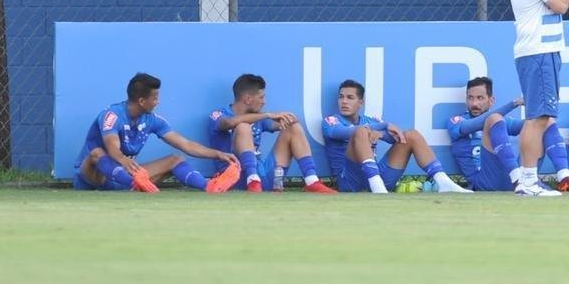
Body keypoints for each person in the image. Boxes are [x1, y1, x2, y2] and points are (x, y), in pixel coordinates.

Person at [73, 72, 239, 193]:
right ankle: (136, 183)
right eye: (155, 98)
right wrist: (123, 161)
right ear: (142, 101)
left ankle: (209, 186)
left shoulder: (153, 120)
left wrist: (218, 154)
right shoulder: (112, 115)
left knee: (175, 159)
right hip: (93, 177)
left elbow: (185, 144)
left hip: (124, 176)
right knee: (96, 152)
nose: (158, 102)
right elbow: (112, 147)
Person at [509, 0, 569, 196]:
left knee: (542, 117)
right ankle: (528, 181)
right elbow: (562, 3)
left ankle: (527, 180)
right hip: (539, 51)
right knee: (537, 119)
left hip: (543, 51)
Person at [320, 79, 470, 193]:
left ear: (361, 102)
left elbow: (397, 139)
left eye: (350, 97)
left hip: (377, 175)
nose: (344, 101)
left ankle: (443, 182)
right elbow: (344, 132)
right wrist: (382, 126)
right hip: (349, 180)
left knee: (411, 135)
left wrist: (380, 134)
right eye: (341, 97)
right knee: (359, 132)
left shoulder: (371, 121)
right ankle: (377, 188)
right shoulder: (330, 121)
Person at [207, 73, 336, 194]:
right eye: (261, 97)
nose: (264, 102)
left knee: (293, 127)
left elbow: (278, 125)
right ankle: (252, 179)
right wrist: (267, 115)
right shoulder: (218, 115)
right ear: (247, 99)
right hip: (236, 179)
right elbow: (228, 123)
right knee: (243, 127)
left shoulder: (257, 116)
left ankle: (311, 181)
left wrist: (288, 119)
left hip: (264, 177)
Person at [446, 76, 569, 194]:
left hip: (509, 177)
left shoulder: (501, 121)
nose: (474, 104)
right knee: (494, 118)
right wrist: (514, 103)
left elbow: (533, 126)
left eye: (480, 98)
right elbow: (473, 125)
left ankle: (564, 176)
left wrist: (538, 114)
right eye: (470, 98)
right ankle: (517, 177)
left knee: (545, 122)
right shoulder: (456, 121)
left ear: (491, 101)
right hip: (484, 180)